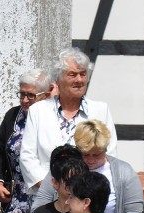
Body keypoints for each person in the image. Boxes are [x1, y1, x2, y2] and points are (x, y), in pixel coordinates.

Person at [20, 47, 117, 194]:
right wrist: (52, 189)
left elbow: (110, 154)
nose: (79, 80)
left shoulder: (101, 110)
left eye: (83, 74)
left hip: (88, 198)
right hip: (47, 196)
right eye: (72, 74)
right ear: (58, 79)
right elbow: (27, 155)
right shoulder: (38, 111)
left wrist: (88, 189)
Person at [30, 120, 144, 213]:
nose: (91, 160)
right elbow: (38, 208)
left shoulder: (123, 171)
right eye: (85, 154)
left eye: (97, 155)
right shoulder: (63, 167)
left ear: (105, 150)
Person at [0, 68, 51, 213]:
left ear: (46, 95)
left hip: (46, 194)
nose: (24, 100)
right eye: (22, 94)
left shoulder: (53, 119)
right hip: (17, 198)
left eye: (31, 96)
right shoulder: (12, 116)